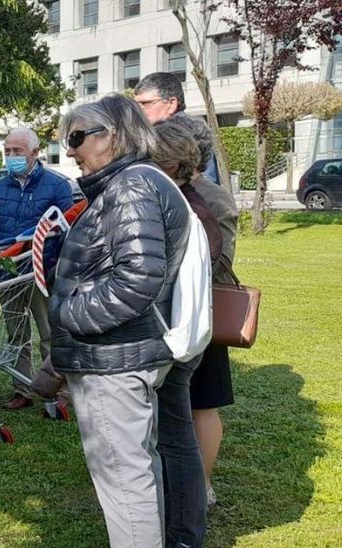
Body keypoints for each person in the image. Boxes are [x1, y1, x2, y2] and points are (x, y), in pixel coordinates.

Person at [51, 93, 191, 548]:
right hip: (121, 353)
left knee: (124, 481)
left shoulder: (131, 185)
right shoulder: (133, 182)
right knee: (135, 471)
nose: (70, 151)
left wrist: (69, 313)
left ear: (112, 135)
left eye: (76, 137)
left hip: (113, 359)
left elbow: (138, 278)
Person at [156, 112, 239, 508]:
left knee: (203, 404)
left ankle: (199, 486)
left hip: (199, 310)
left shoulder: (208, 197)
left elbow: (218, 257)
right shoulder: (169, 190)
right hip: (179, 312)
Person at [0, 128, 74, 410]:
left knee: (50, 333)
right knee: (16, 334)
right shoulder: (0, 187)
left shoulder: (57, 186)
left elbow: (67, 231)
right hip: (8, 273)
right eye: (7, 151)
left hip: (41, 272)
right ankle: (22, 388)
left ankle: (59, 391)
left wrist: (55, 268)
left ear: (35, 153)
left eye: (17, 151)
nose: (11, 156)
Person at [134, 72, 221, 185]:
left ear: (171, 103)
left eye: (146, 103)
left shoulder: (191, 134)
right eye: (136, 105)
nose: (138, 110)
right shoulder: (151, 134)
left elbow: (206, 186)